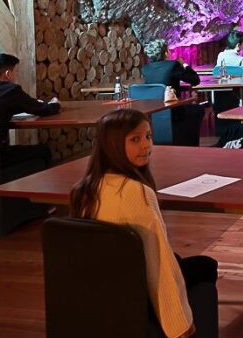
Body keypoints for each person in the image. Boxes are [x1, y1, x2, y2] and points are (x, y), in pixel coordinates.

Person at [70, 109, 217, 338]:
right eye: (135, 139)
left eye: (148, 136)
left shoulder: (84, 189)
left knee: (177, 258)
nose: (146, 145)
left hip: (102, 285)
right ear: (113, 144)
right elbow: (157, 260)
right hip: (135, 288)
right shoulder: (135, 192)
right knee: (205, 266)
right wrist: (179, 323)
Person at [0, 53, 59, 168]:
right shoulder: (11, 90)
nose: (16, 75)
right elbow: (43, 109)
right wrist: (55, 104)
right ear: (8, 74)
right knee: (44, 150)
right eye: (16, 72)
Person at [141, 40, 204, 147]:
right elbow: (195, 80)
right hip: (173, 111)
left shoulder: (145, 69)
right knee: (198, 109)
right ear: (165, 53)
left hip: (153, 113)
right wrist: (184, 64)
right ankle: (189, 145)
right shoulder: (173, 65)